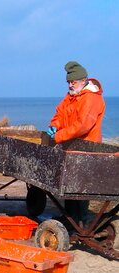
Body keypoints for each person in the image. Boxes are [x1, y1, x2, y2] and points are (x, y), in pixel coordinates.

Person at [47, 61, 105, 226]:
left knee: (80, 187)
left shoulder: (91, 98)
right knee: (69, 185)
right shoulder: (72, 95)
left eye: (73, 81)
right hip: (71, 147)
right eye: (68, 82)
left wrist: (59, 136)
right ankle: (70, 220)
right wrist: (54, 125)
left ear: (84, 80)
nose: (70, 84)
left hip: (87, 148)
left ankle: (81, 222)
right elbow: (60, 112)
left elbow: (82, 126)